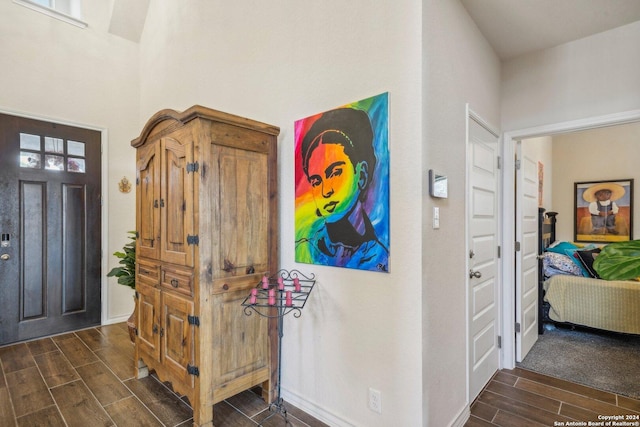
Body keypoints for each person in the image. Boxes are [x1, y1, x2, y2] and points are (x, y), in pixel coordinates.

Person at [295, 107, 388, 272]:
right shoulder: (304, 250)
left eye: (335, 173)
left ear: (362, 175)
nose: (325, 191)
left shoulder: (380, 258)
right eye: (316, 181)